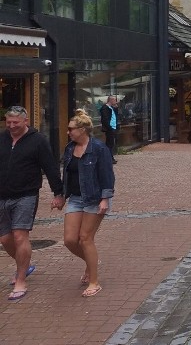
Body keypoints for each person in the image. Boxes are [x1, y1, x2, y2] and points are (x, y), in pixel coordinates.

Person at [1, 106, 64, 301]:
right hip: (2, 195)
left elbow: (51, 167)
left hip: (26, 195)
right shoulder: (2, 139)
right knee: (5, 239)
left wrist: (59, 193)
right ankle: (25, 266)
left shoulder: (38, 141)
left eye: (15, 123)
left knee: (20, 236)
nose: (11, 126)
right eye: (8, 122)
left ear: (25, 121)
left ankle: (21, 281)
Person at [61, 109, 114, 298]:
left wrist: (105, 198)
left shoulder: (99, 148)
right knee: (69, 240)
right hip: (75, 198)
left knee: (85, 238)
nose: (68, 132)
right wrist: (61, 195)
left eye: (71, 129)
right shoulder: (69, 148)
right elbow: (66, 174)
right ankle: (91, 263)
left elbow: (107, 175)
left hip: (94, 198)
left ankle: (94, 281)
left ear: (82, 130)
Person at [99, 95, 119, 164]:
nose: (116, 102)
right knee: (109, 143)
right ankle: (109, 158)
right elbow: (105, 119)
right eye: (114, 100)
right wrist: (109, 127)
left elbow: (115, 116)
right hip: (110, 128)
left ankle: (109, 157)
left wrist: (116, 108)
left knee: (111, 143)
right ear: (111, 100)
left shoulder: (112, 108)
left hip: (113, 127)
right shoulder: (105, 108)